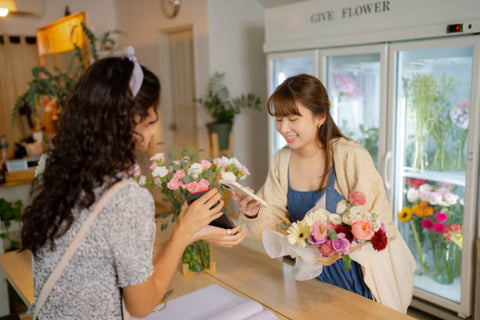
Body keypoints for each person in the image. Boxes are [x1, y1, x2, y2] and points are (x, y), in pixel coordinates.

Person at [21, 51, 246, 319]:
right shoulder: (125, 196)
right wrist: (183, 233)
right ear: (133, 119)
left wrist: (191, 233)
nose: (157, 117)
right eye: (153, 109)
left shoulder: (59, 174)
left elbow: (121, 259)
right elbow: (141, 305)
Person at [233, 73, 415, 312]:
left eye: (293, 119)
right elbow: (274, 218)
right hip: (313, 279)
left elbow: (379, 225)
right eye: (278, 119)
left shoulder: (350, 156)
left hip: (360, 280)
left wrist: (340, 251)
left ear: (320, 117)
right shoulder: (282, 160)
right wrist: (253, 213)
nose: (283, 128)